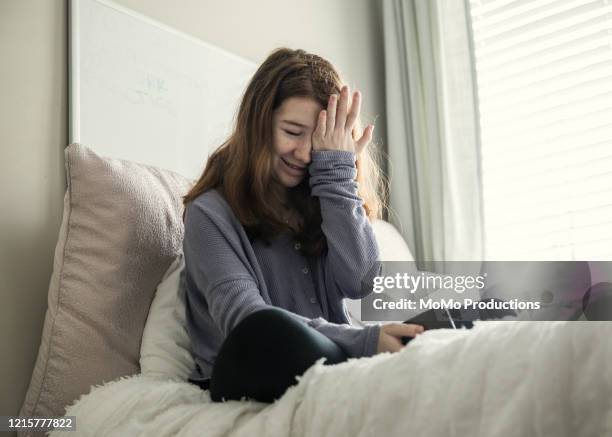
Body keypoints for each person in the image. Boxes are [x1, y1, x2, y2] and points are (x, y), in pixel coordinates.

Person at [182, 47, 424, 403]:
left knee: (454, 324)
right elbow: (245, 319)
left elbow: (360, 282)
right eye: (293, 131)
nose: (306, 153)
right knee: (272, 328)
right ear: (258, 124)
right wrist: (365, 342)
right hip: (251, 362)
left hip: (327, 356)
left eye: (319, 140)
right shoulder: (209, 214)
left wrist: (338, 174)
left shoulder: (320, 196)